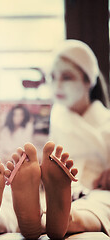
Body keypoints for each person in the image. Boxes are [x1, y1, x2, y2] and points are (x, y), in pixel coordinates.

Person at [48, 39, 110, 235]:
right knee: (15, 199)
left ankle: (69, 218)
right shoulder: (51, 119)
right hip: (55, 188)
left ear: (88, 81)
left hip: (97, 191)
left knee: (101, 205)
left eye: (67, 77)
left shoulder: (106, 120)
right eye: (52, 76)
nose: (57, 85)